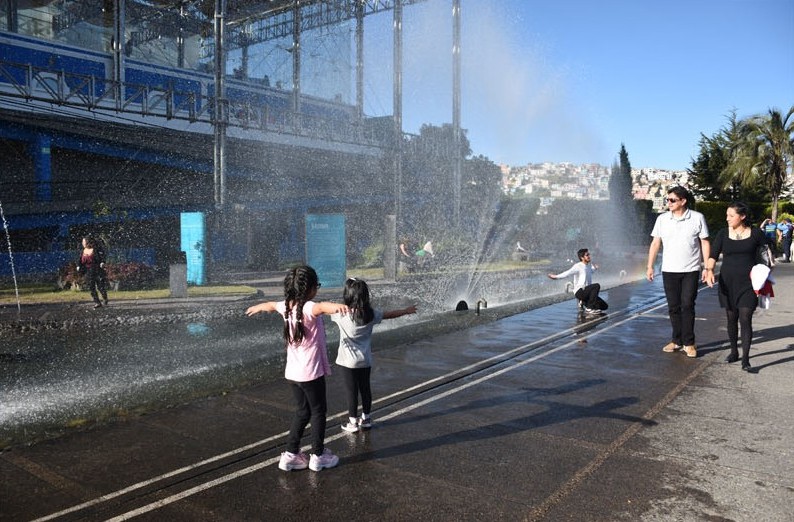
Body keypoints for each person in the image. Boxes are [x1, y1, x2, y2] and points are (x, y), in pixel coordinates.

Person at [245, 265, 349, 472]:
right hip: (311, 373)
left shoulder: (285, 306)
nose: (317, 290)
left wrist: (258, 307)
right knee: (319, 412)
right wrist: (341, 307)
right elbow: (323, 307)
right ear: (309, 288)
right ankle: (318, 456)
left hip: (293, 374)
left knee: (302, 412)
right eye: (316, 286)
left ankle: (291, 454)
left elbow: (269, 305)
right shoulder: (309, 308)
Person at [331, 278, 417, 433]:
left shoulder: (341, 315)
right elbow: (389, 315)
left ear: (348, 296)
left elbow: (322, 310)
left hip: (347, 362)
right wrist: (406, 310)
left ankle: (352, 422)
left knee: (352, 391)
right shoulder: (371, 315)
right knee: (365, 389)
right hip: (365, 360)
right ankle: (366, 418)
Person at [704, 202, 771, 372]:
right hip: (727, 282)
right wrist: (709, 269)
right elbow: (713, 254)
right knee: (731, 318)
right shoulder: (723, 233)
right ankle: (734, 351)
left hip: (749, 283)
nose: (727, 218)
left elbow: (765, 256)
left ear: (742, 217)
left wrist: (764, 275)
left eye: (731, 215)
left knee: (745, 318)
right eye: (727, 215)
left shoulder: (756, 233)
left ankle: (746, 360)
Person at [646, 186, 710, 358]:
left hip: (691, 269)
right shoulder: (662, 219)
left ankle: (689, 343)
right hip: (669, 270)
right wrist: (650, 266)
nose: (669, 203)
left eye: (672, 200)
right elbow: (655, 243)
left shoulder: (697, 218)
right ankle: (676, 340)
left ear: (683, 201)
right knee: (673, 307)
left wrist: (707, 267)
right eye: (668, 200)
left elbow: (704, 242)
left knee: (687, 305)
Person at [548, 248, 607, 314]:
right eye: (587, 255)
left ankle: (583, 302)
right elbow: (567, 273)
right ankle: (589, 308)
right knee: (596, 286)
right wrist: (556, 276)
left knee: (604, 306)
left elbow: (590, 271)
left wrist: (595, 268)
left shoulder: (589, 265)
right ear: (582, 257)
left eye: (589, 254)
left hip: (587, 292)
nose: (589, 256)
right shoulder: (578, 266)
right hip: (580, 291)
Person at [76, 236, 108, 309]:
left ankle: (105, 298)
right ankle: (97, 302)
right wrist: (78, 266)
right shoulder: (83, 251)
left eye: (83, 242)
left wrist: (102, 262)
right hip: (88, 271)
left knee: (100, 286)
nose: (82, 243)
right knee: (91, 287)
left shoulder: (96, 249)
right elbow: (79, 260)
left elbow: (102, 257)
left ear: (88, 242)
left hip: (97, 270)